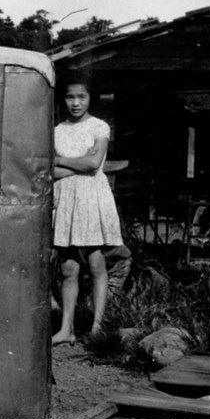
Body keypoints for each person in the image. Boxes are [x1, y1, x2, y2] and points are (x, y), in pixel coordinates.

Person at [51, 77, 123, 344]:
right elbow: (49, 171)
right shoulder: (56, 131)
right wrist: (77, 164)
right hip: (66, 199)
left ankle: (97, 327)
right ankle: (66, 329)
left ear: (90, 98)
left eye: (81, 96)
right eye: (70, 97)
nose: (76, 103)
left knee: (95, 261)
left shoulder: (99, 127)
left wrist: (61, 160)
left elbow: (93, 164)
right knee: (68, 267)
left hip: (91, 197)